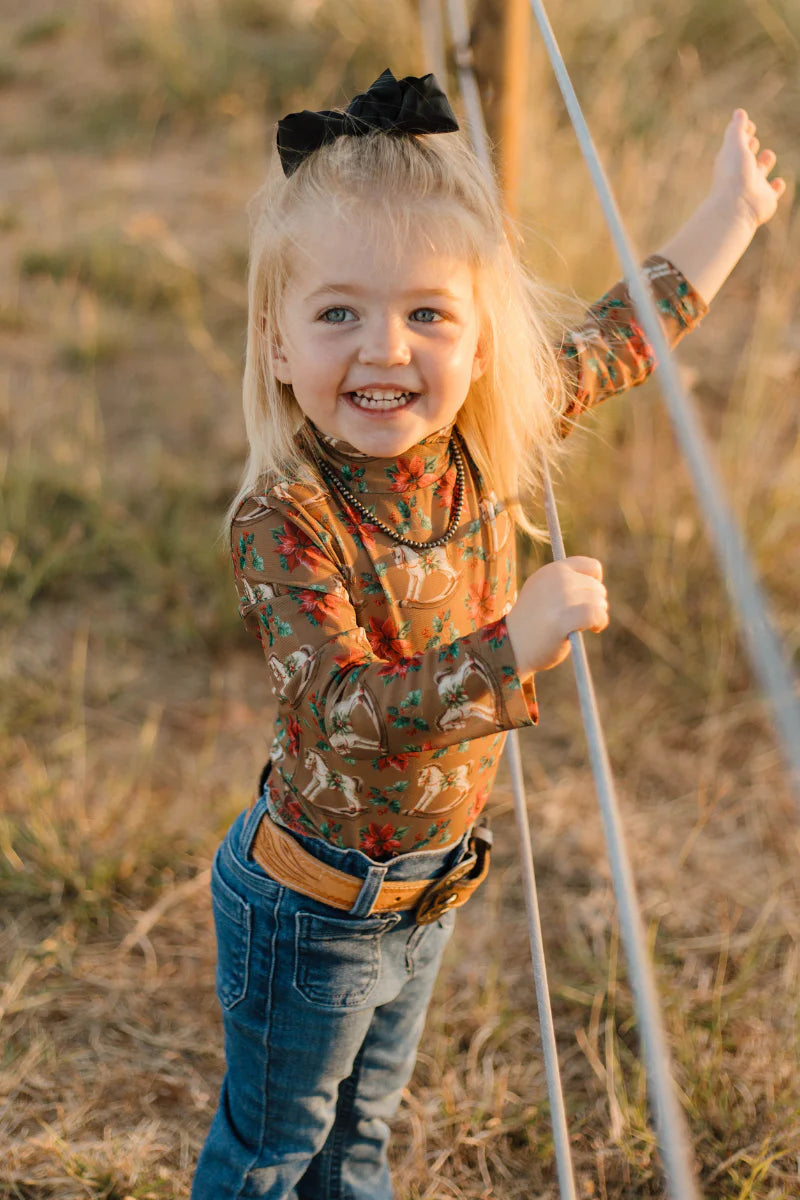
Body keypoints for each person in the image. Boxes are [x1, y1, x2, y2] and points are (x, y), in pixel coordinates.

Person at [191, 69, 784, 1200]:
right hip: (310, 907)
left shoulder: (482, 438)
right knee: (271, 1152)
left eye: (425, 314)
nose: (383, 351)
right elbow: (338, 708)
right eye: (337, 314)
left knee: (357, 1146)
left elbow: (619, 337)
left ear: (474, 340)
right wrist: (507, 646)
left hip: (426, 891)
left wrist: (729, 218)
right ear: (276, 344)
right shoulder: (286, 517)